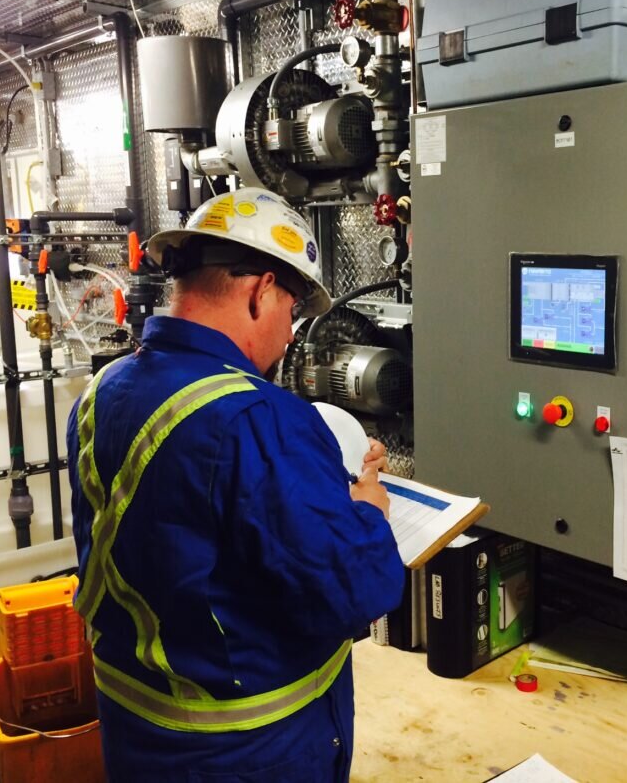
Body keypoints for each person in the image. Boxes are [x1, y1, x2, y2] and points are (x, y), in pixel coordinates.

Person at [67, 187, 405, 782]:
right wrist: (366, 509)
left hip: (135, 730)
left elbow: (193, 532)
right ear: (260, 292)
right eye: (293, 311)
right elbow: (356, 591)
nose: (290, 334)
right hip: (249, 752)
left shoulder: (103, 391)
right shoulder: (256, 418)